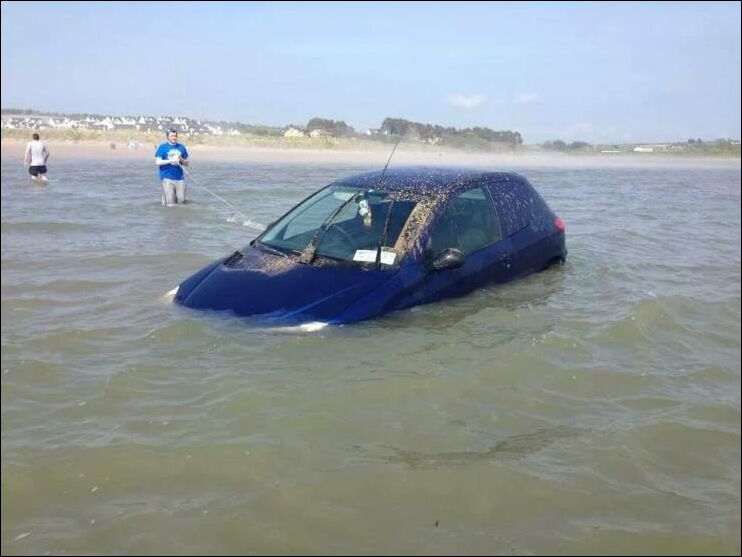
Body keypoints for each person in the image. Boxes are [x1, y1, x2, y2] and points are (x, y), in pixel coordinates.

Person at [154, 128, 189, 206]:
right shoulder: (162, 147)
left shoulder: (181, 147)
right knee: (170, 203)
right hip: (167, 178)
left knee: (181, 201)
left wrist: (181, 159)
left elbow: (187, 163)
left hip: (180, 178)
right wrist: (171, 160)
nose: (174, 138)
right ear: (167, 137)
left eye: (175, 136)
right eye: (172, 136)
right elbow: (158, 162)